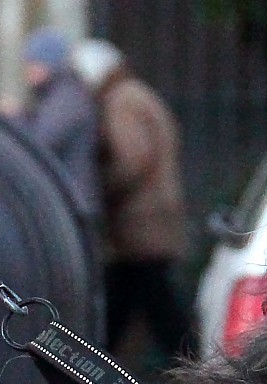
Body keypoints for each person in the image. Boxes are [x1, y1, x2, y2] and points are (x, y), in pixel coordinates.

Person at [77, 39, 195, 363]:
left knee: (153, 301)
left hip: (140, 221)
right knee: (139, 298)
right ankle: (98, 366)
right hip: (153, 218)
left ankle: (189, 363)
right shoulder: (138, 94)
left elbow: (133, 158)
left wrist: (106, 189)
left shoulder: (121, 102)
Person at [16, 27, 100, 220]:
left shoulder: (66, 98)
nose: (27, 70)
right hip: (70, 201)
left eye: (33, 63)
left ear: (49, 64)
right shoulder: (57, 96)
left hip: (75, 205)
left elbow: (41, 141)